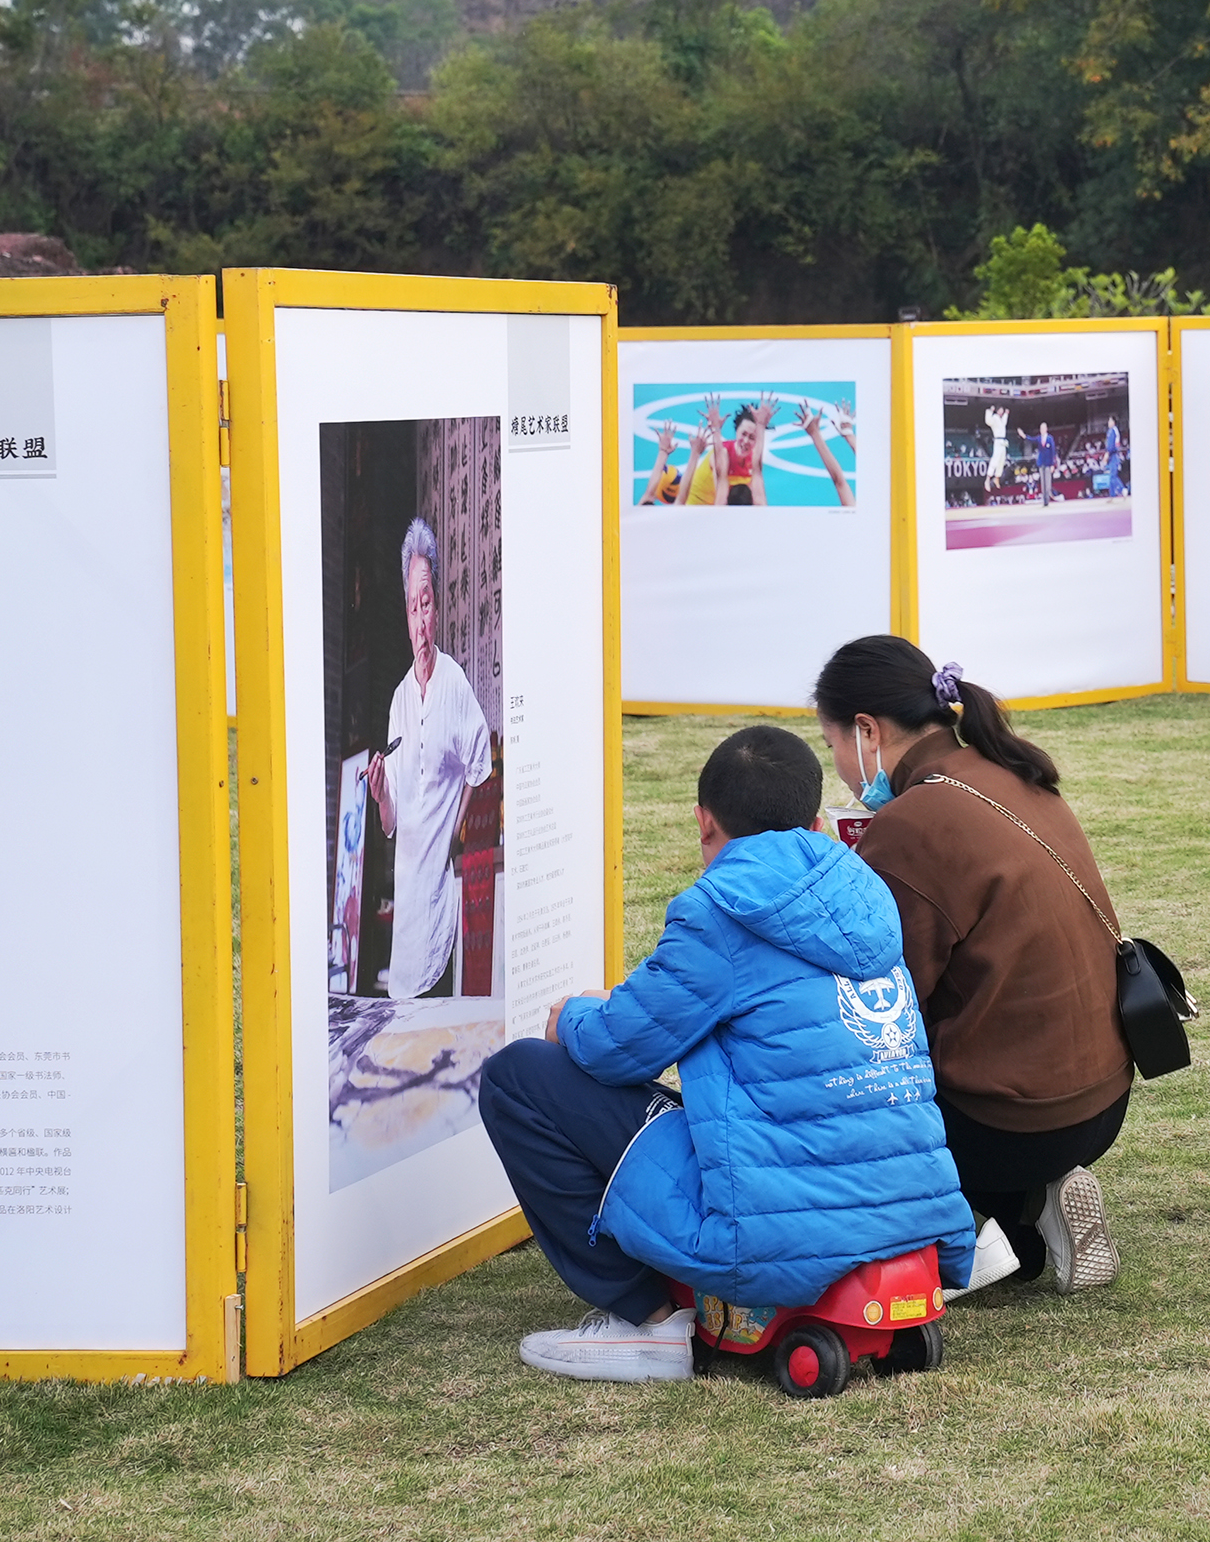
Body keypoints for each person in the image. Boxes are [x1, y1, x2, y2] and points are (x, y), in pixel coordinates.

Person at [477, 725, 975, 1383]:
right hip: (915, 1208)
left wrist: (570, 1015)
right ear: (815, 818)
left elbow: (614, 1048)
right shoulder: (864, 893)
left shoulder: (721, 910)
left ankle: (648, 1320)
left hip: (772, 1227)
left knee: (519, 1075)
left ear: (704, 823)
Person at [815, 634, 1132, 1293]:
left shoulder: (913, 821)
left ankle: (996, 1222)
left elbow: (883, 1009)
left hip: (1014, 1121)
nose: (842, 767)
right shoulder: (1010, 771)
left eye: (835, 746)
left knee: (841, 1088)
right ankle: (1030, 1204)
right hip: (1103, 1097)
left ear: (867, 731)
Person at [364, 518, 495, 1000]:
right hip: (408, 891)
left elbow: (480, 764)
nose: (420, 619)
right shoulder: (399, 699)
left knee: (435, 1015)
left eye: (428, 604)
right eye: (412, 607)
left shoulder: (455, 684)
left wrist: (456, 834)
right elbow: (391, 818)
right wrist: (380, 793)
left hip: (441, 889)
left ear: (438, 606)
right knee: (402, 1011)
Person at [984, 403, 1013, 489]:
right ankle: (987, 479)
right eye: (1001, 410)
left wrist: (1006, 414)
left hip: (1003, 441)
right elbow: (987, 421)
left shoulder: (1000, 419)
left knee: (1001, 461)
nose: (1002, 411)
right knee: (995, 460)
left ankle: (997, 478)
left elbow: (1004, 423)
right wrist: (990, 411)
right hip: (997, 441)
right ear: (998, 410)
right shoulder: (994, 418)